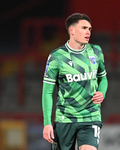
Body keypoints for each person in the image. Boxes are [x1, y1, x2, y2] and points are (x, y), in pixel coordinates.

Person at [42, 13, 108, 150]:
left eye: (89, 29)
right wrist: (47, 123)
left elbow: (103, 78)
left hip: (91, 116)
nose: (88, 32)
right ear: (71, 30)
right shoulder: (56, 57)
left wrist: (102, 92)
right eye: (84, 28)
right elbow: (47, 92)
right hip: (65, 118)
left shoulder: (96, 51)